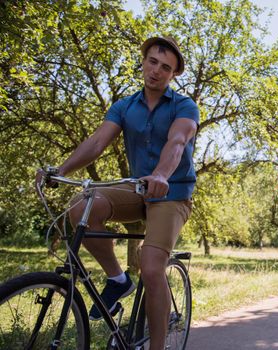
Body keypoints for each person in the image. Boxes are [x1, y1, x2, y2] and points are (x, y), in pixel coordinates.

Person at [36, 36, 199, 350]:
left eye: (166, 67)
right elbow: (97, 143)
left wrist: (162, 174)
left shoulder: (184, 106)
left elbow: (177, 142)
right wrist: (61, 171)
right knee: (83, 204)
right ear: (143, 61)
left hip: (172, 193)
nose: (156, 71)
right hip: (137, 189)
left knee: (151, 268)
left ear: (174, 74)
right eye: (152, 61)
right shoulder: (125, 106)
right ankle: (117, 280)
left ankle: (158, 346)